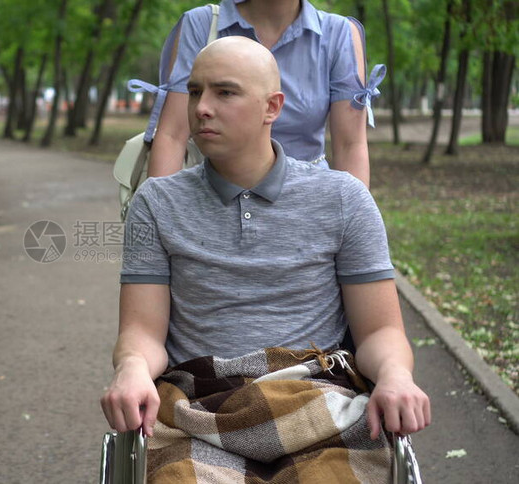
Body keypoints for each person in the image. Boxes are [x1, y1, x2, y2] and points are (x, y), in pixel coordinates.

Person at [100, 37, 429, 481]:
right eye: (195, 91)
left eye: (225, 92)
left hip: (317, 401)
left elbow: (380, 331)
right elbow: (141, 331)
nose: (200, 107)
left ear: (271, 107)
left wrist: (394, 375)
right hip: (198, 409)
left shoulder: (343, 199)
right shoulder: (157, 202)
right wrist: (132, 369)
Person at [146, 0, 382, 187]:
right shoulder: (202, 25)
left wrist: (354, 229)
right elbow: (172, 136)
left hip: (308, 204)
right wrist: (158, 218)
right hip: (212, 198)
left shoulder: (338, 34)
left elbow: (350, 145)